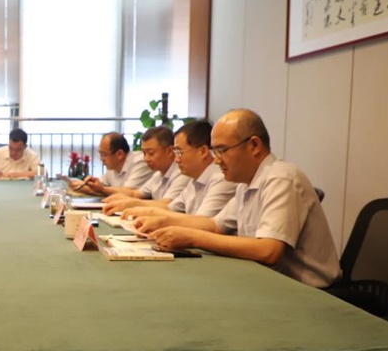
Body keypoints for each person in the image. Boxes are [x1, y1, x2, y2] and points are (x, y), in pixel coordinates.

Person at [133, 109, 340, 289]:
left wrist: (193, 237)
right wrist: (163, 222)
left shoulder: (281, 178)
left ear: (254, 145)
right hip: (267, 280)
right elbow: (215, 225)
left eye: (222, 150)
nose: (216, 160)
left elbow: (269, 250)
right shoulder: (245, 183)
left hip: (308, 291)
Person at [108, 120, 236, 218]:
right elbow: (170, 208)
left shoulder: (220, 178)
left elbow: (203, 223)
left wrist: (144, 209)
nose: (177, 159)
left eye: (179, 152)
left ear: (203, 152)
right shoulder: (194, 180)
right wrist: (136, 207)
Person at [101, 126, 190, 208]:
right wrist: (119, 197)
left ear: (170, 151)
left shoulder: (181, 173)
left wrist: (132, 203)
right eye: (144, 153)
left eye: (151, 153)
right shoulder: (158, 175)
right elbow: (135, 194)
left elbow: (167, 204)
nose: (146, 159)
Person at [75, 132, 151, 196]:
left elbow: (128, 193)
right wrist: (79, 184)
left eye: (104, 155)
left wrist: (101, 189)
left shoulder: (141, 162)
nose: (101, 159)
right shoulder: (112, 166)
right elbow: (100, 189)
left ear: (119, 154)